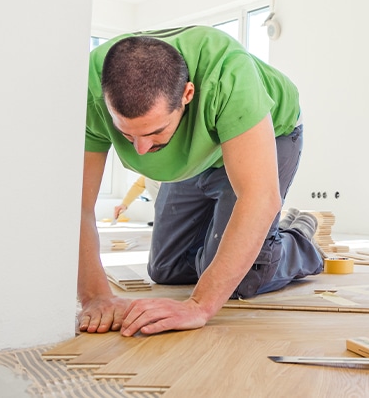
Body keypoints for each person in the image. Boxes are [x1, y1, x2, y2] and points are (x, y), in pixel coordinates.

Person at [79, 26, 324, 336]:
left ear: (188, 95)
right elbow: (78, 206)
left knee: (244, 278)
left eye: (155, 132)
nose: (140, 150)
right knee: (166, 270)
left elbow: (259, 198)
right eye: (127, 134)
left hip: (270, 132)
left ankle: (297, 236)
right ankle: (229, 239)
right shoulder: (88, 91)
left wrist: (199, 306)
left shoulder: (229, 75)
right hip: (201, 151)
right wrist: (96, 297)